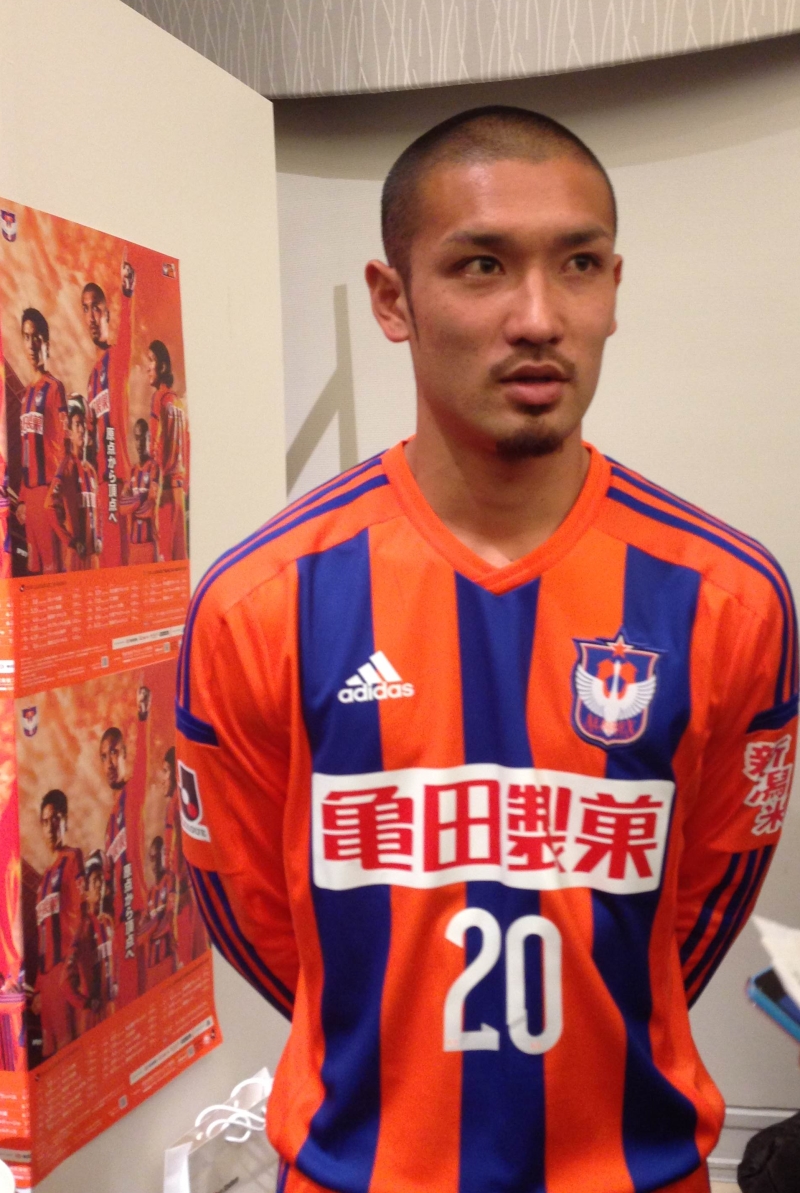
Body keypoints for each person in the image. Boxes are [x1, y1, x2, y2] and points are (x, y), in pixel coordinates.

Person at [176, 107, 798, 1193]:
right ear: (393, 300)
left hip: (636, 1168)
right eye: (481, 265)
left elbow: (700, 904)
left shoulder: (730, 598)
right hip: (355, 1170)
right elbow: (252, 907)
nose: (538, 316)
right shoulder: (259, 601)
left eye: (578, 264)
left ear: (614, 287)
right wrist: (390, 1041)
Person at [83, 262, 134, 568]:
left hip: (117, 479)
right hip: (101, 486)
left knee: (119, 564)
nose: (91, 316)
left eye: (97, 308)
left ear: (107, 314)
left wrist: (127, 292)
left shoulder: (118, 355)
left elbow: (127, 328)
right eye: (86, 309)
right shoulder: (91, 379)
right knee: (106, 564)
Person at [102, 684, 150, 1008]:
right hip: (118, 929)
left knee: (139, 1001)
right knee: (123, 1005)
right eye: (104, 756)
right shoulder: (108, 827)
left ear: (124, 755)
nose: (109, 762)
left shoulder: (132, 793)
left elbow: (143, 761)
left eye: (114, 752)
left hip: (136, 915)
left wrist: (143, 716)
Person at [31, 790, 83, 1059]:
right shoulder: (42, 883)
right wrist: (39, 988)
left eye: (55, 819)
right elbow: (42, 938)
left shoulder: (73, 859)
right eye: (45, 821)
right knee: (49, 1054)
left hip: (63, 971)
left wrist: (72, 961)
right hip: (46, 981)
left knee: (68, 1052)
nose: (50, 826)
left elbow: (82, 912)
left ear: (65, 820)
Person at [17, 308, 67, 574]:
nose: (31, 344)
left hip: (48, 494)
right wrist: (22, 499)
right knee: (33, 572)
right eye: (26, 337)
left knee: (52, 572)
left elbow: (65, 445)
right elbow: (26, 451)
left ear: (45, 342)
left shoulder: (55, 388)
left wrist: (57, 493)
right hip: (30, 498)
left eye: (36, 337)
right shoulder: (26, 395)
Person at [161, 746, 204, 967]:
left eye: (165, 771)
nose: (162, 778)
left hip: (184, 895)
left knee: (189, 961)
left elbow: (175, 858)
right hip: (193, 891)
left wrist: (174, 895)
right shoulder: (184, 798)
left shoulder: (176, 803)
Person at [46, 404, 101, 571]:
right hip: (76, 557)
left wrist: (99, 537)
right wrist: (70, 541)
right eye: (77, 425)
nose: (82, 429)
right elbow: (49, 507)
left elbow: (98, 511)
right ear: (69, 433)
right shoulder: (65, 468)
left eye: (83, 424)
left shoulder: (91, 471)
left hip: (93, 557)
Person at [67, 849, 117, 1033]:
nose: (100, 884)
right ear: (86, 892)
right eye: (95, 880)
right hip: (94, 1019)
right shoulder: (83, 928)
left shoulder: (108, 922)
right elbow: (65, 979)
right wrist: (86, 1003)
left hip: (115, 1009)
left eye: (101, 879)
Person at [147, 340, 188, 560]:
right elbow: (187, 446)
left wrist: (154, 495)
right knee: (181, 559)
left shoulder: (159, 399)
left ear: (162, 367)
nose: (147, 367)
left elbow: (157, 448)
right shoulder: (179, 403)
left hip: (165, 493)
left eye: (151, 360)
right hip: (180, 494)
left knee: (164, 560)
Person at [119, 418, 161, 565]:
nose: (140, 443)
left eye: (143, 438)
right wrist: (140, 499)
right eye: (137, 438)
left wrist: (132, 502)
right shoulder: (132, 471)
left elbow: (149, 507)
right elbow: (121, 507)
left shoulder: (154, 468)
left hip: (149, 545)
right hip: (133, 547)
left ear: (149, 438)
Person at [139, 836, 176, 991]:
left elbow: (170, 918)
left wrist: (151, 927)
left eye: (157, 857)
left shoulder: (170, 880)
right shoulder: (150, 894)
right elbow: (140, 934)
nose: (154, 863)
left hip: (168, 957)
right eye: (151, 859)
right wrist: (156, 921)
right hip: (152, 965)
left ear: (163, 855)